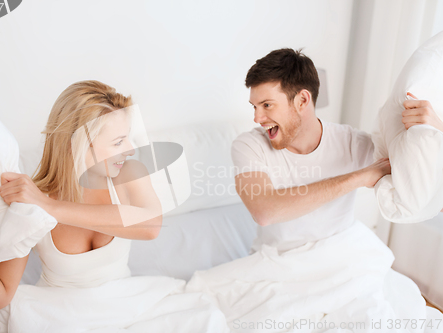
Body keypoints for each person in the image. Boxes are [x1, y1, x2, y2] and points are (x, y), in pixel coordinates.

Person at [185, 48, 443, 332]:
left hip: (344, 259)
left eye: (267, 105)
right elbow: (264, 210)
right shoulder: (249, 146)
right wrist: (358, 177)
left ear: (302, 100)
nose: (257, 118)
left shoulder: (352, 143)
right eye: (254, 106)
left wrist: (434, 132)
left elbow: (424, 190)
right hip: (281, 266)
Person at [0, 80, 229, 333]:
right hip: (61, 313)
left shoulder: (127, 173)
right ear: (76, 146)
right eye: (118, 142)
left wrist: (49, 207)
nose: (130, 149)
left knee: (206, 320)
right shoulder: (32, 200)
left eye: (128, 138)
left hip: (124, 301)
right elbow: (0, 296)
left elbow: (150, 226)